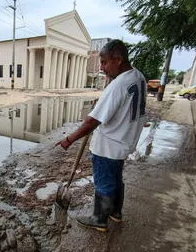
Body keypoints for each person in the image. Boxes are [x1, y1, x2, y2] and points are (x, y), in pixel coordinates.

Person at [56, 39, 146, 232]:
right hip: (124, 142)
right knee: (115, 179)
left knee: (104, 182)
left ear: (118, 59)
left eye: (104, 62)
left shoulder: (118, 85)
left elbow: (91, 122)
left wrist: (68, 139)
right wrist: (104, 101)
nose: (102, 68)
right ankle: (116, 213)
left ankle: (99, 218)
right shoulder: (138, 77)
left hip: (109, 145)